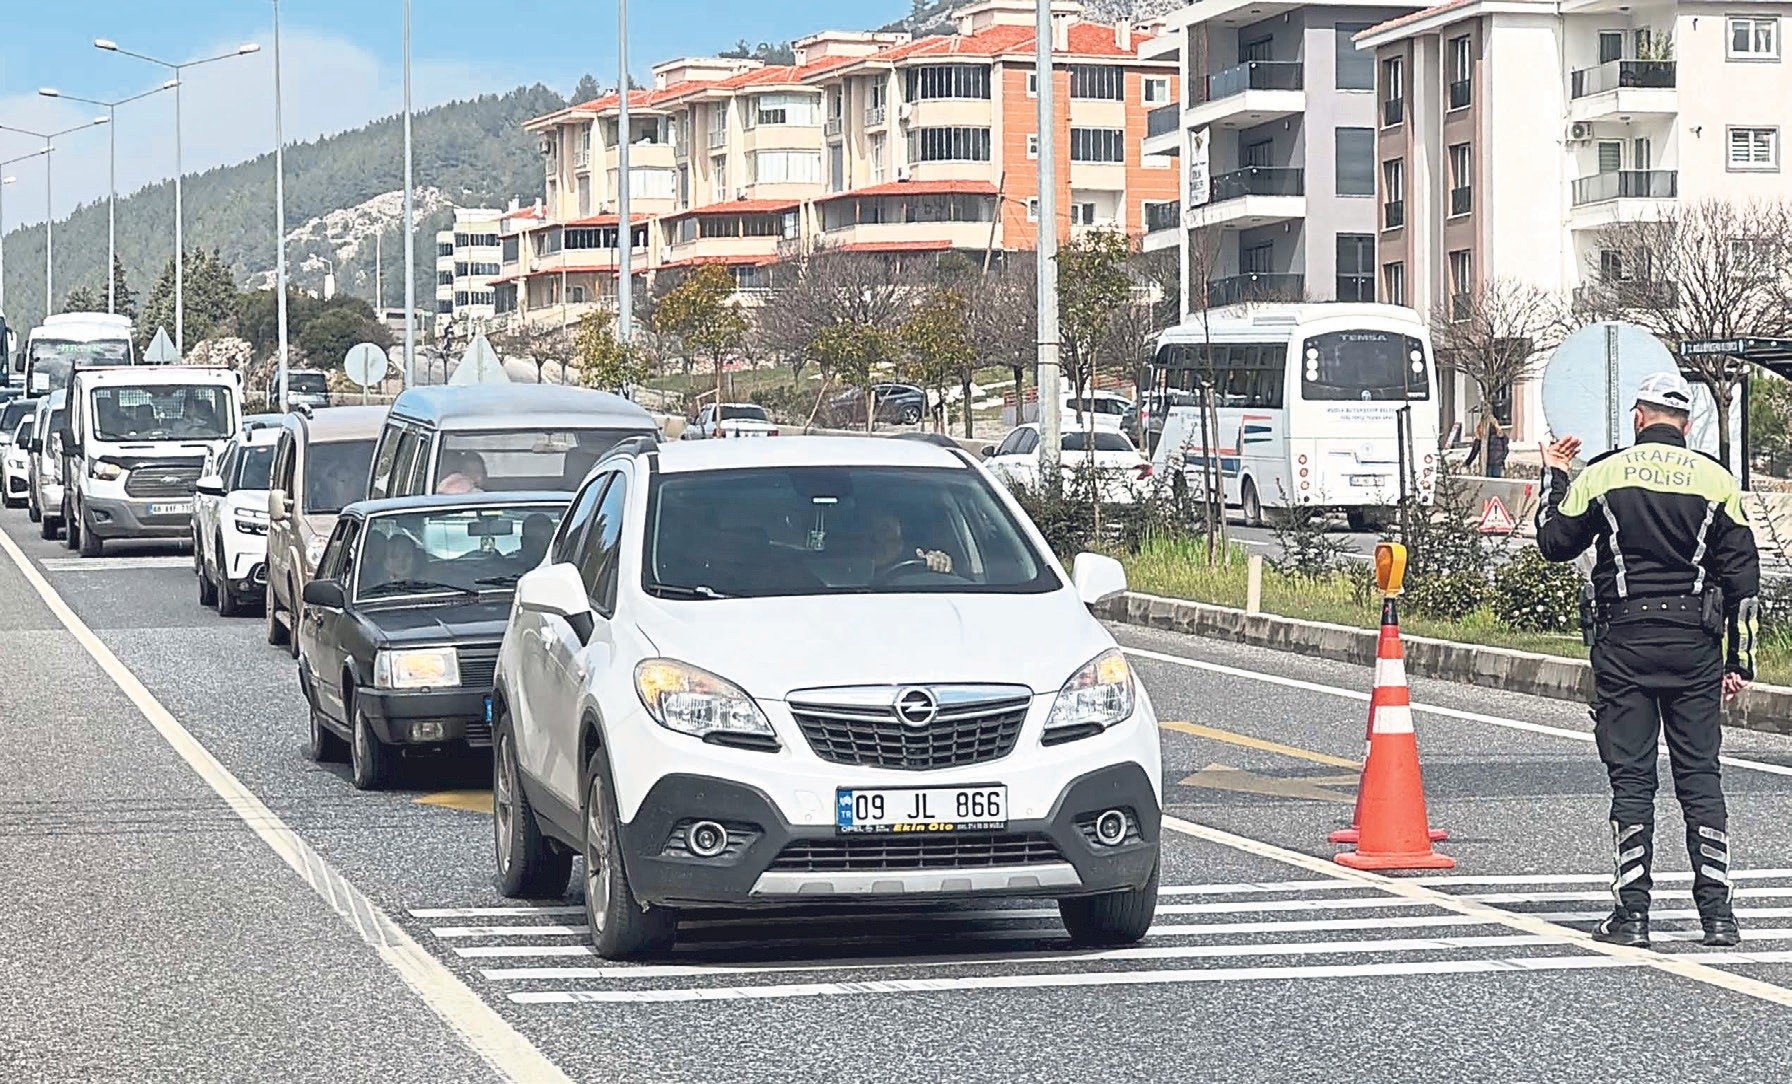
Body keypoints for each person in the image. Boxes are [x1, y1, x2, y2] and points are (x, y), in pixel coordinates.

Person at [1536, 371, 1760, 950]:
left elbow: (1555, 542)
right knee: (1700, 777)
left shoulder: (1604, 472)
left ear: (1640, 418)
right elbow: (1743, 580)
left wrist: (1553, 475)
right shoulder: (1717, 480)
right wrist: (1740, 660)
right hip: (1695, 645)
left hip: (1625, 642)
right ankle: (1718, 916)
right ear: (1686, 424)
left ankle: (1631, 915)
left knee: (1633, 781)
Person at [869, 510, 953, 577]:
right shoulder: (857, 563)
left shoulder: (919, 560)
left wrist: (939, 563)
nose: (881, 535)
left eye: (886, 527)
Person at [1465, 410, 1510, 478]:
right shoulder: (1500, 435)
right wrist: (1501, 459)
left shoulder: (1482, 436)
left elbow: (1474, 451)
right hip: (1498, 464)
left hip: (1487, 463)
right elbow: (1506, 449)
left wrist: (1467, 462)